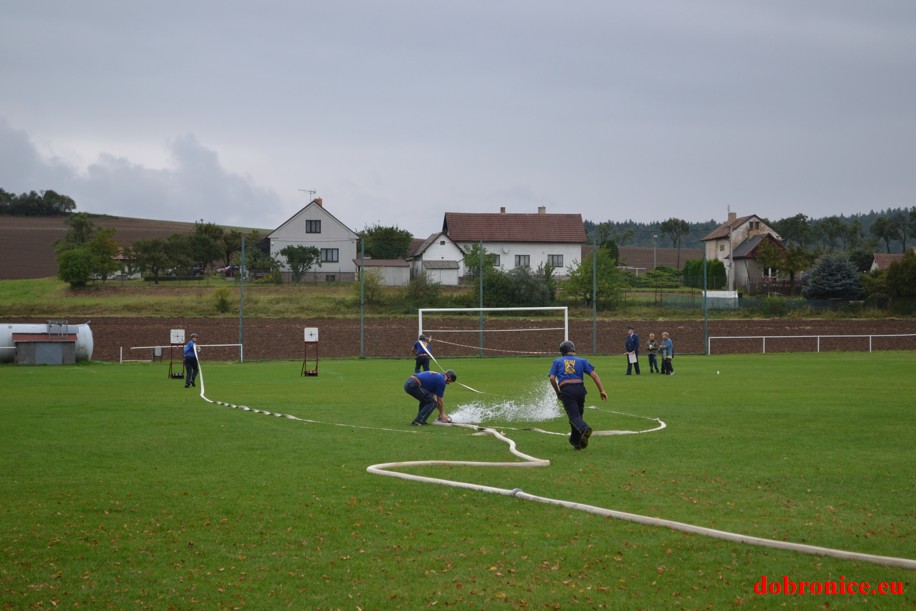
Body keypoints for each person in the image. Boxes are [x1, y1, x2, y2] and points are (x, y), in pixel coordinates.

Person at [549, 340, 608, 450]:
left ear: (562, 351)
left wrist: (558, 393)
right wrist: (602, 390)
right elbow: (594, 375)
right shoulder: (582, 361)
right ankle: (576, 441)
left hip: (567, 390)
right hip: (580, 390)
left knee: (574, 417)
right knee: (577, 416)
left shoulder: (557, 361)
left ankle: (585, 428)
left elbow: (552, 378)